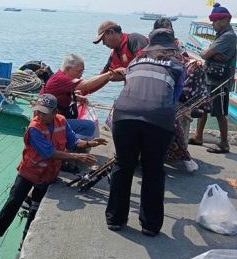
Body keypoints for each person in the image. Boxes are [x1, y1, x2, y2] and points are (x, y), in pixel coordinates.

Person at [0, 94, 103, 254]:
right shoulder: (34, 128)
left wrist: (90, 143)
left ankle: (24, 240)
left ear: (55, 112)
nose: (40, 115)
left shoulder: (61, 121)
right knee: (12, 203)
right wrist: (78, 157)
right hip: (29, 172)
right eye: (38, 111)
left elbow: (73, 141)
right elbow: (49, 153)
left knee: (35, 208)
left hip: (48, 176)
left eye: (44, 112)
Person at [106, 29, 184, 236]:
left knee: (123, 165)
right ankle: (150, 225)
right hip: (158, 118)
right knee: (153, 170)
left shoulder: (134, 62)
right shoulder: (177, 66)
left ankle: (115, 219)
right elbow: (174, 99)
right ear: (171, 48)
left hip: (123, 116)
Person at [189, 3, 236, 154]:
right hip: (211, 77)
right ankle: (198, 136)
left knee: (219, 111)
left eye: (215, 21)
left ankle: (224, 143)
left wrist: (210, 53)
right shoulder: (221, 35)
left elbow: (204, 54)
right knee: (203, 107)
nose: (213, 24)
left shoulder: (228, 36)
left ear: (225, 20)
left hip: (220, 80)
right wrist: (212, 53)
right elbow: (208, 53)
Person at [153, 18, 198, 173]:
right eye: (166, 31)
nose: (170, 34)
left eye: (171, 30)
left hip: (173, 90)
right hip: (158, 91)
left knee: (175, 119)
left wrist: (193, 63)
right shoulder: (150, 48)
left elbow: (185, 62)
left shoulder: (178, 47)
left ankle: (181, 155)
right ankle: (183, 157)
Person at [43, 53, 123, 139]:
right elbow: (87, 85)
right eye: (79, 71)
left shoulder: (59, 76)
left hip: (52, 118)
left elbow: (59, 94)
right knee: (90, 126)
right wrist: (109, 74)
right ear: (68, 69)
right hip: (48, 122)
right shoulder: (61, 79)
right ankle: (69, 142)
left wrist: (76, 98)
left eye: (82, 72)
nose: (81, 75)